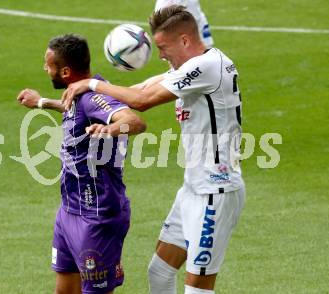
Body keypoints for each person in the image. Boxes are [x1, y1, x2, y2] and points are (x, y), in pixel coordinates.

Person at [61, 6, 245, 294]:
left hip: (216, 192)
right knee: (159, 272)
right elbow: (136, 91)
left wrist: (92, 83)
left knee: (198, 289)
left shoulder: (208, 67)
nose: (159, 55)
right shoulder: (189, 68)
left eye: (162, 48)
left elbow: (143, 99)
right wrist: (75, 98)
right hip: (193, 189)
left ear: (184, 40)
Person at [17, 34, 146, 294]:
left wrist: (110, 130)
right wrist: (41, 103)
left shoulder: (93, 96)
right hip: (69, 210)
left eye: (48, 64)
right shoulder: (80, 91)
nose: (45, 68)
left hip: (96, 216)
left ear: (65, 71)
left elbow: (135, 122)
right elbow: (73, 109)